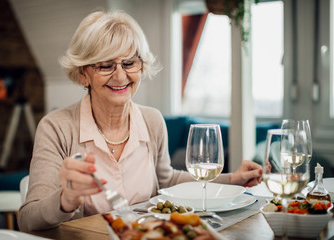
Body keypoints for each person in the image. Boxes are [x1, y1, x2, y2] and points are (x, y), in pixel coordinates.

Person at [18, 10, 262, 232]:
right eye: (105, 65)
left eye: (129, 63)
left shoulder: (152, 120)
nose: (120, 75)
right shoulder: (56, 127)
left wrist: (232, 179)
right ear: (83, 74)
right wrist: (65, 199)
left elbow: (168, 181)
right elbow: (28, 219)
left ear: (141, 66)